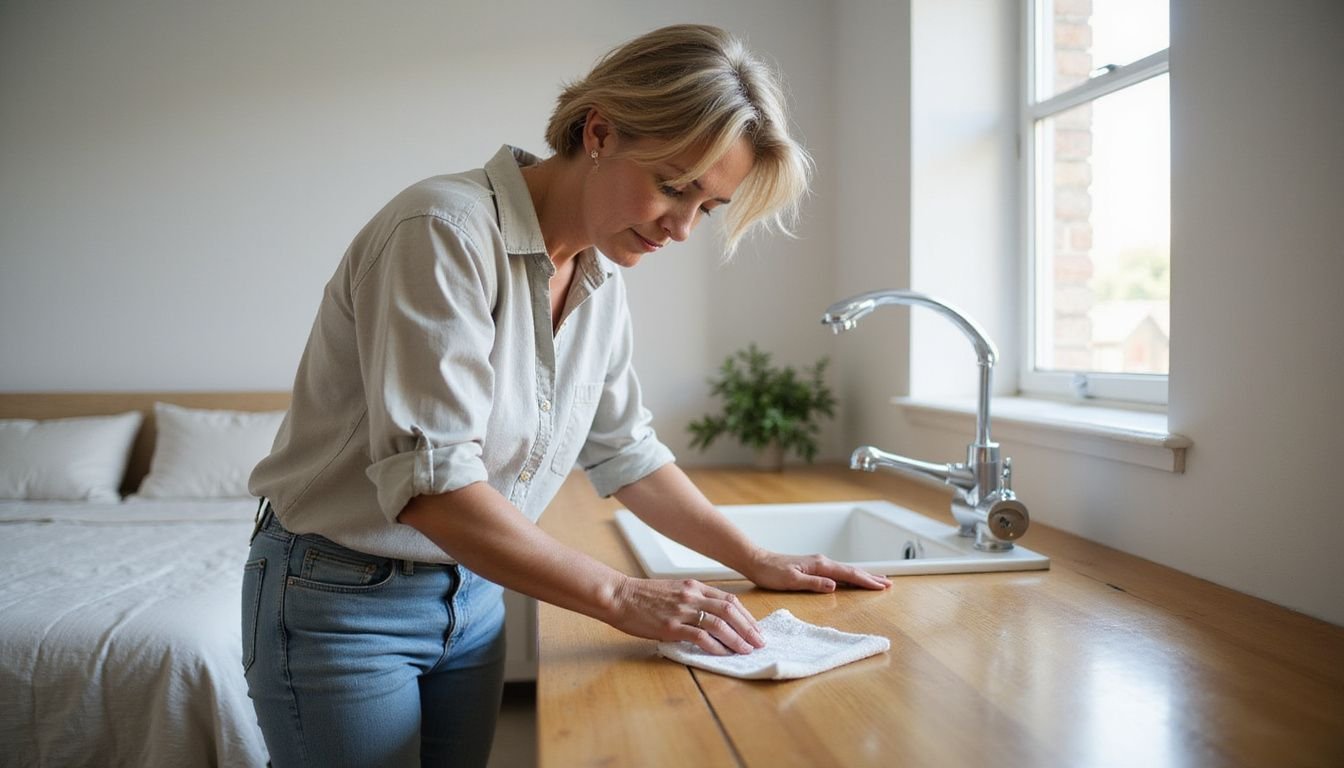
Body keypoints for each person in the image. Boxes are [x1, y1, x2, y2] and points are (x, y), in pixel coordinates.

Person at [242, 23, 891, 767]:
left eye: (707, 207)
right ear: (600, 131)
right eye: (674, 186)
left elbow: (626, 451)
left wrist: (756, 557)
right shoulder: (442, 231)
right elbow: (434, 488)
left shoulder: (600, 272)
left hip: (476, 592)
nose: (681, 227)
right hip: (342, 600)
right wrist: (623, 597)